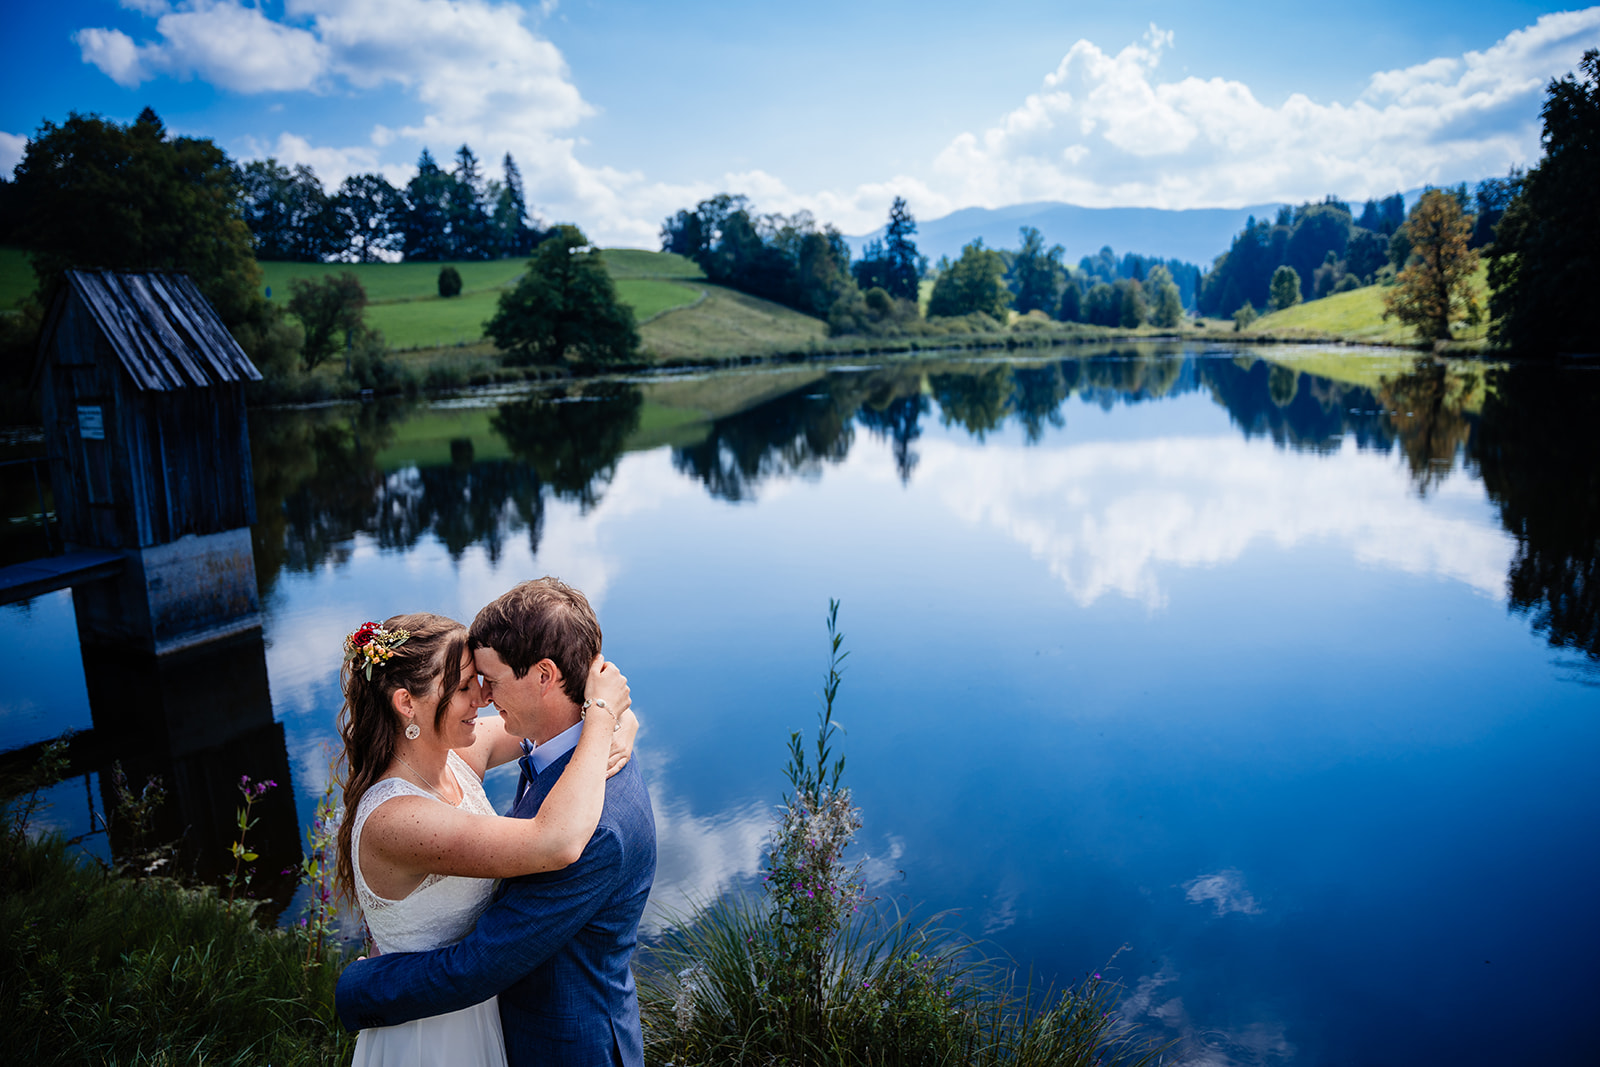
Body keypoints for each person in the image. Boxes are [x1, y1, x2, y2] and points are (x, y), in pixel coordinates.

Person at [336, 579, 658, 1067]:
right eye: (465, 686)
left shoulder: (461, 754)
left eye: (486, 680)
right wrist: (605, 714)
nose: (483, 698)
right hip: (433, 1033)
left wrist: (618, 721)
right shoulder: (400, 814)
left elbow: (554, 722)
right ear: (407, 703)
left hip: (560, 1039)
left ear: (543, 675)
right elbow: (553, 831)